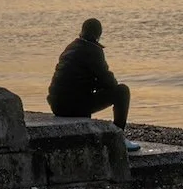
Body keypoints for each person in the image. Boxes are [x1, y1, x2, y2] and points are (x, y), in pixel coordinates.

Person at [48, 18, 139, 151]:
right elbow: (110, 83)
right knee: (122, 92)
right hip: (73, 107)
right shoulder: (93, 50)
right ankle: (119, 137)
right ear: (98, 34)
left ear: (82, 31)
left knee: (84, 91)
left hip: (57, 105)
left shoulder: (71, 47)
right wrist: (99, 84)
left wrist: (95, 83)